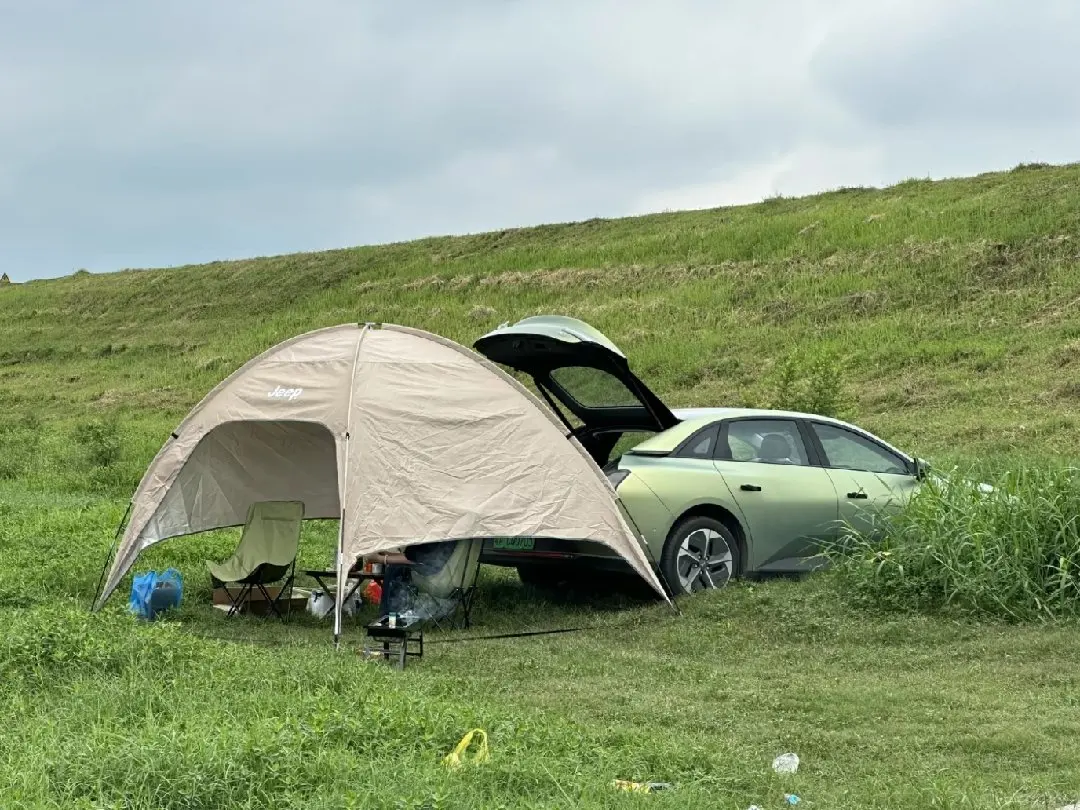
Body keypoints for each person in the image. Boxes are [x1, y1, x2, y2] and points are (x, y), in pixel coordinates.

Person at [377, 539, 459, 619]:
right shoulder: (450, 536)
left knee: (395, 568)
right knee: (396, 566)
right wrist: (388, 555)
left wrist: (382, 559)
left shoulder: (437, 537)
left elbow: (417, 560)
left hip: (435, 579)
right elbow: (416, 556)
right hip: (451, 578)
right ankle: (395, 613)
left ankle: (389, 616)